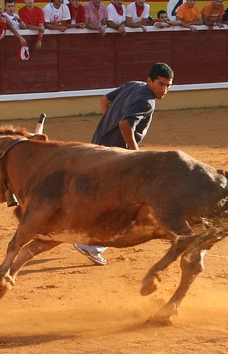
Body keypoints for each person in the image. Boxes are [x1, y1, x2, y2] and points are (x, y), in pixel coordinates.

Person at [74, 62, 174, 266]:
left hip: (98, 149)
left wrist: (106, 123)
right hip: (116, 159)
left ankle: (79, 234)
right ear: (150, 80)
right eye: (161, 84)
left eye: (168, 85)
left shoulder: (131, 85)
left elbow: (104, 100)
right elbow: (125, 125)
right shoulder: (147, 101)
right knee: (125, 205)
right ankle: (91, 245)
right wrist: (135, 154)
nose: (165, 90)